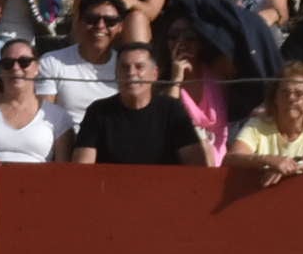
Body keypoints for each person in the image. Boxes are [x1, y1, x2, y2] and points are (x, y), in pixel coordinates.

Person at [70, 39, 209, 163]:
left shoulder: (172, 110)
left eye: (139, 67)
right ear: (116, 73)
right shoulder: (98, 111)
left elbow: (196, 165)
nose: (131, 73)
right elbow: (82, 168)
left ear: (154, 74)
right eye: (124, 67)